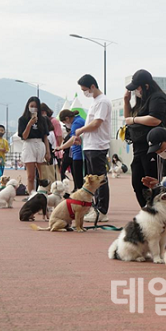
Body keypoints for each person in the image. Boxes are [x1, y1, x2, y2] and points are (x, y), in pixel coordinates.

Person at [124, 69, 166, 207]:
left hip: (153, 147)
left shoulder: (157, 97)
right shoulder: (141, 101)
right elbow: (128, 119)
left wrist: (134, 120)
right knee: (137, 183)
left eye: (137, 88)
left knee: (154, 184)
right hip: (139, 148)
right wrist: (126, 102)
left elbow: (155, 119)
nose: (136, 92)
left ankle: (159, 215)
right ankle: (148, 212)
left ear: (146, 86)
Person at [74, 74, 112, 222]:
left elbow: (97, 123)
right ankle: (95, 207)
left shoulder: (102, 101)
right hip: (90, 145)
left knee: (99, 179)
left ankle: (102, 211)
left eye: (85, 90)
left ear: (93, 86)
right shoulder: (95, 101)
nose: (85, 93)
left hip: (98, 146)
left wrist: (80, 130)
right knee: (92, 180)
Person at [18, 96, 51, 195]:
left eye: (36, 107)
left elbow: (45, 136)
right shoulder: (22, 119)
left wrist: (48, 152)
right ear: (28, 106)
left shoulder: (43, 119)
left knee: (43, 174)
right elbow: (24, 136)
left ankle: (43, 194)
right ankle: (31, 195)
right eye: (32, 106)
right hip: (28, 144)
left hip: (40, 144)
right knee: (31, 176)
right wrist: (29, 124)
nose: (33, 108)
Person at [57, 110, 85, 191]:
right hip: (76, 154)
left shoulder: (76, 123)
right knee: (77, 178)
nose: (66, 124)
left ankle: (81, 199)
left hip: (79, 154)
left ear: (67, 118)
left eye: (64, 122)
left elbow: (73, 139)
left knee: (79, 180)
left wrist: (61, 147)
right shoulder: (78, 120)